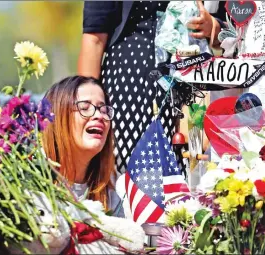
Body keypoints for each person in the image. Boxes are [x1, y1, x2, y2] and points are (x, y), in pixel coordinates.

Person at [77, 1, 227, 174]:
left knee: (193, 169)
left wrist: (212, 27)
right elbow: (93, 41)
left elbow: (234, 32)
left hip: (194, 89)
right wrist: (85, 108)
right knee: (124, 175)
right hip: (129, 89)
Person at [42, 75, 124, 217]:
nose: (99, 116)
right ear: (57, 117)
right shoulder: (32, 178)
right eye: (85, 108)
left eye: (104, 110)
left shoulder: (113, 191)